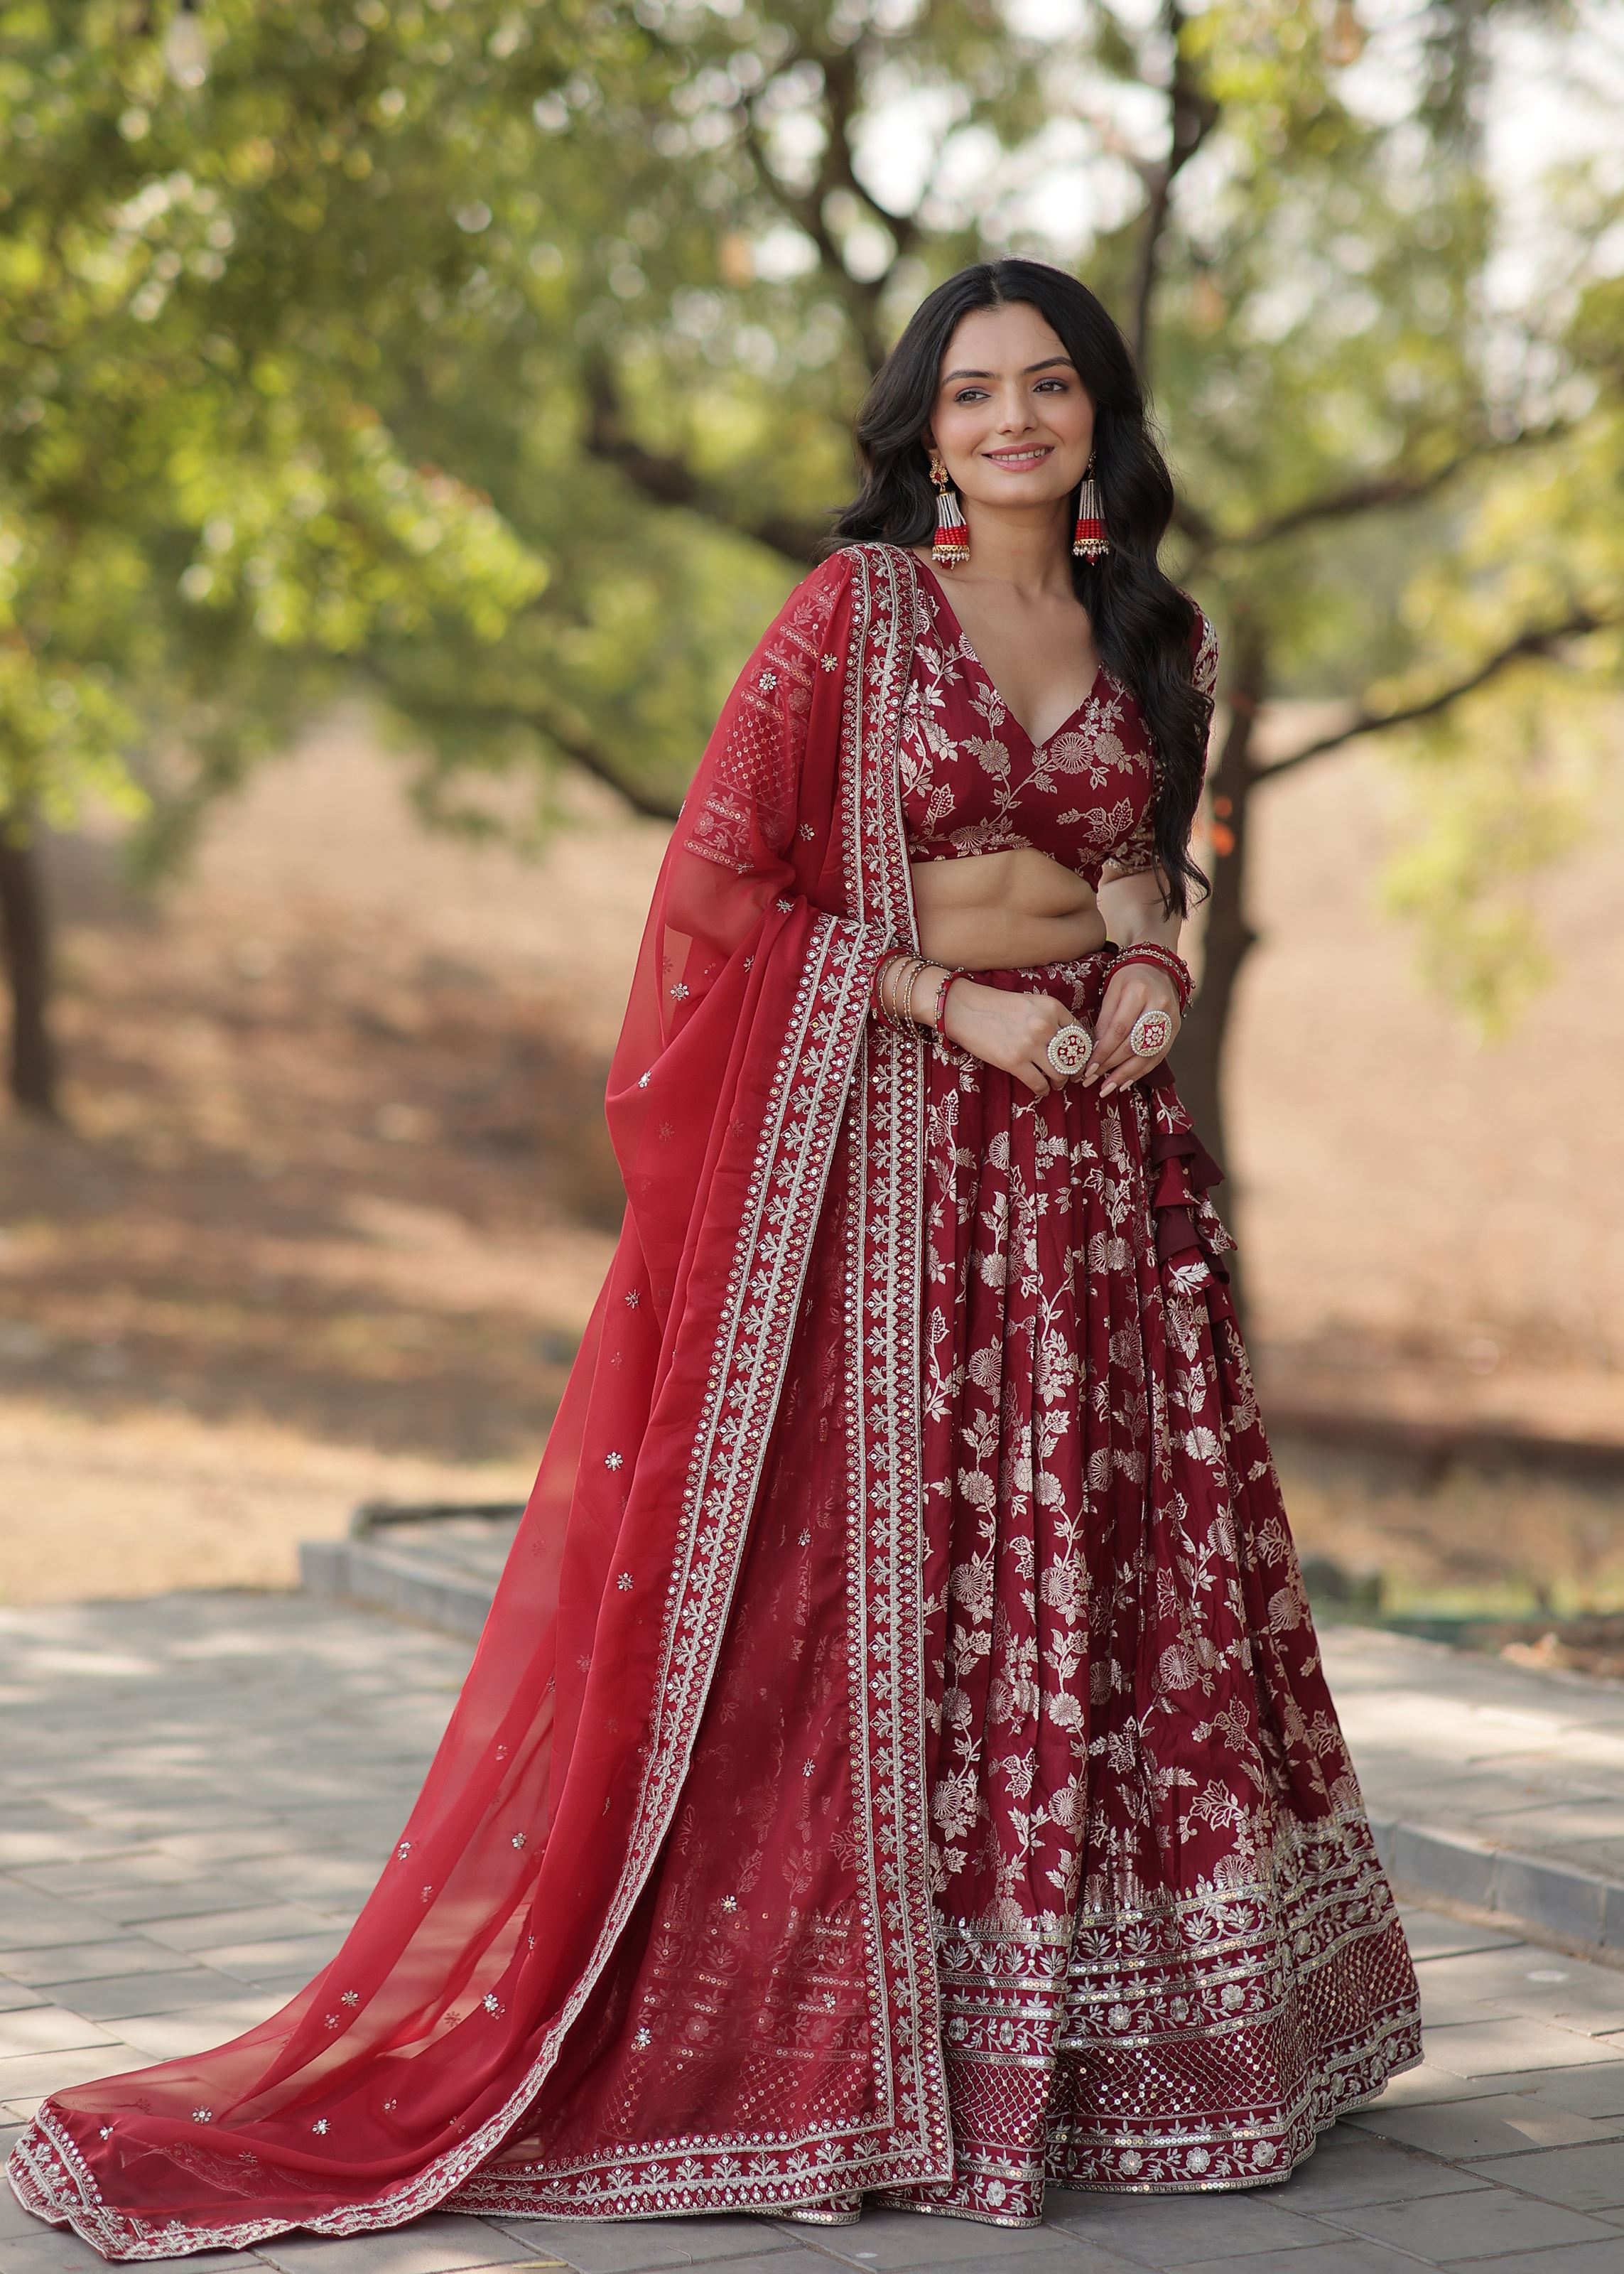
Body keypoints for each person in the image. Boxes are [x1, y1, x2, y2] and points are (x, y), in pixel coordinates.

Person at [8, 259, 1420, 2258]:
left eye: (1050, 388)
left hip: (1093, 1184)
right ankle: (865, 2047)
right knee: (884, 1586)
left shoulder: (1149, 627)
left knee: (1097, 1583)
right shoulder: (853, 617)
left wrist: (1149, 970)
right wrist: (950, 1003)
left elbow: (1139, 847)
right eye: (973, 393)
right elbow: (722, 888)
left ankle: (1106, 2053)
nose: (1013, 421)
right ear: (923, 429)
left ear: (1103, 414)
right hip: (896, 1167)